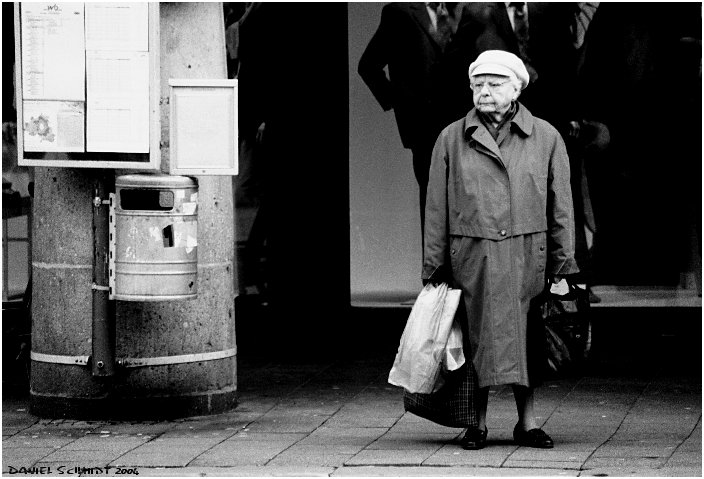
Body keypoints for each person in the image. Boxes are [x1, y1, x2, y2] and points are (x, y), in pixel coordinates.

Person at [422, 50, 578, 450]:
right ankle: (477, 424)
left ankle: (527, 424)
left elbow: (561, 205)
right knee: (476, 341)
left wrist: (563, 264)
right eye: (478, 84)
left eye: (494, 84)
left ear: (516, 89)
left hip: (529, 256)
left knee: (528, 340)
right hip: (473, 257)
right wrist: (433, 267)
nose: (484, 92)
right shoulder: (450, 139)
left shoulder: (546, 137)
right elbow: (436, 208)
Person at [358, 2, 464, 236]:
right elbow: (368, 65)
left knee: (467, 205)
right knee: (434, 204)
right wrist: (401, 102)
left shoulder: (466, 11)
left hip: (464, 126)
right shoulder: (399, 13)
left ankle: (467, 270)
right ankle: (434, 271)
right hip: (424, 128)